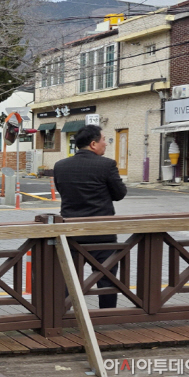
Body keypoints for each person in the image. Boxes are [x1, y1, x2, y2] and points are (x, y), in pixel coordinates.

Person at [53, 124, 128, 309]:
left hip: (70, 231)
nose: (106, 144)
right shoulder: (107, 165)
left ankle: (61, 315)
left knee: (68, 279)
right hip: (101, 233)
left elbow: (62, 191)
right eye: (104, 140)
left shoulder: (60, 166)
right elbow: (119, 194)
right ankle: (107, 317)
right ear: (93, 144)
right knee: (107, 279)